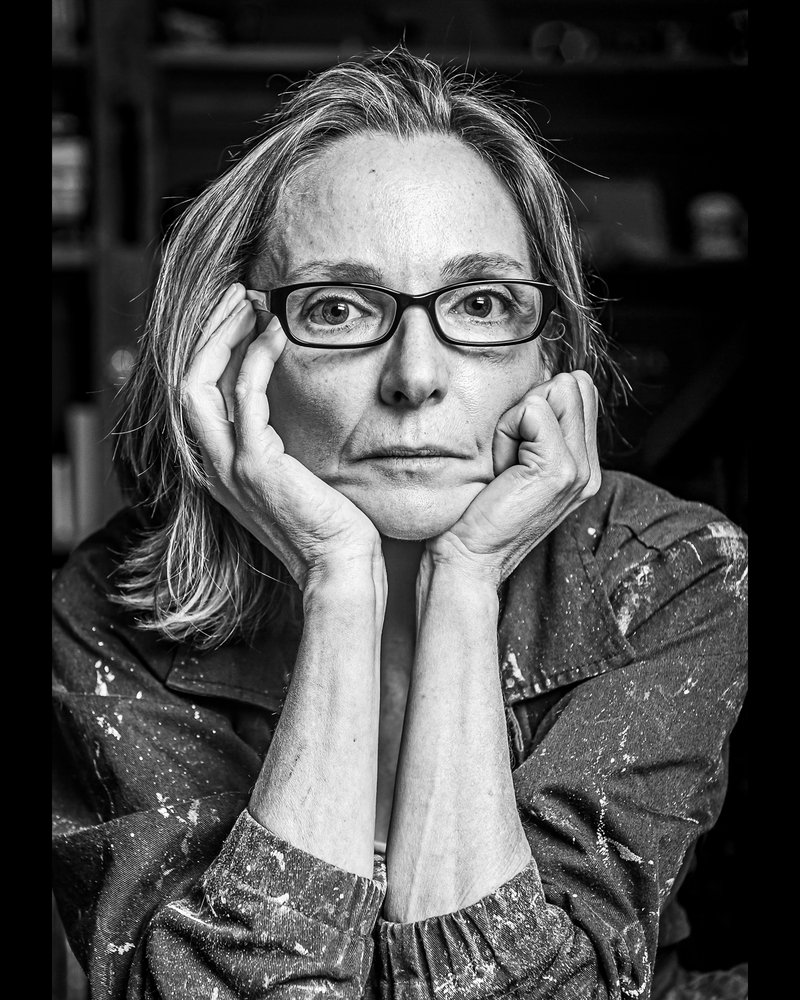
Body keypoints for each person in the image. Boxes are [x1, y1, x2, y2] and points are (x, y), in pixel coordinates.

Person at [51, 47, 748, 999]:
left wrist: (464, 577)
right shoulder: (101, 612)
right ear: (228, 352)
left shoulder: (670, 574)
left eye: (482, 303)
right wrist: (339, 578)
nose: (416, 378)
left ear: (545, 356)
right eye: (338, 309)